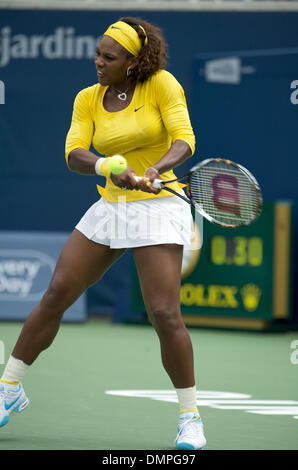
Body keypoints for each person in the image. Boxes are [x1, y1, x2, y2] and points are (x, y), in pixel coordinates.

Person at [0, 17, 206, 450]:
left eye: (109, 57)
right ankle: (9, 388)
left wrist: (155, 169)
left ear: (133, 62)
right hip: (111, 205)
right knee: (56, 292)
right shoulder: (87, 99)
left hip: (159, 205)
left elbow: (185, 140)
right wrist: (107, 165)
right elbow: (73, 153)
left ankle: (190, 418)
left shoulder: (163, 85)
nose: (98, 62)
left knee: (165, 313)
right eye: (98, 53)